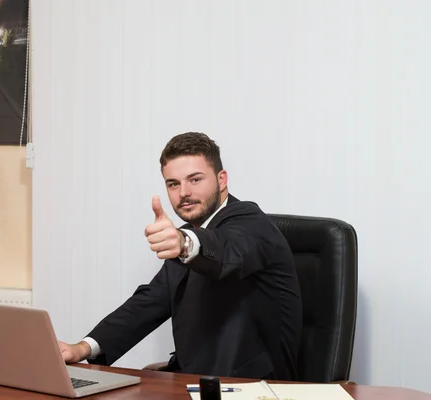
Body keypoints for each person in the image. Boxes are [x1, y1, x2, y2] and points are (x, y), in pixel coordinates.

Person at [58, 132, 303, 380]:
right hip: (194, 382)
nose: (183, 192)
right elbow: (148, 304)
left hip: (256, 388)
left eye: (195, 180)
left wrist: (185, 244)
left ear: (221, 180)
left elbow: (226, 251)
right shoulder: (186, 235)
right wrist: (83, 347)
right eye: (173, 184)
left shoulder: (250, 222)